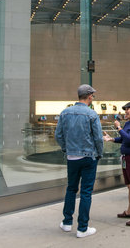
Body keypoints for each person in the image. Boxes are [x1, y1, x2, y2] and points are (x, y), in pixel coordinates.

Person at [55, 84, 104, 238]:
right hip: (89, 157)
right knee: (86, 193)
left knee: (71, 189)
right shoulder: (91, 114)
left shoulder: (65, 113)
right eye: (93, 95)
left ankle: (67, 222)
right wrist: (99, 153)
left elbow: (58, 135)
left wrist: (66, 149)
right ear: (89, 96)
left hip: (72, 157)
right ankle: (82, 228)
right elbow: (98, 138)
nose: (93, 98)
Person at [104, 102, 130, 226]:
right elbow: (123, 139)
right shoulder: (128, 123)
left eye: (128, 109)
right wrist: (112, 139)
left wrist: (118, 127)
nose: (126, 111)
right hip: (127, 158)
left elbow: (129, 138)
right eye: (125, 109)